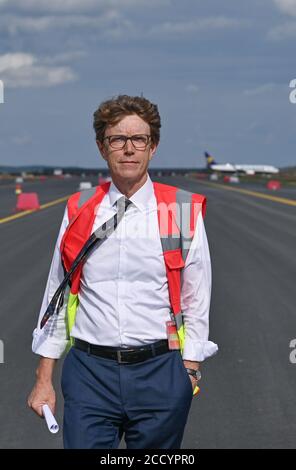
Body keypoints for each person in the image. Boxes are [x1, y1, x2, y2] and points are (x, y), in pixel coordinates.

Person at [27, 94, 218, 449]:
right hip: (89, 372)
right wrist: (44, 377)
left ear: (153, 147)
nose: (128, 149)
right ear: (103, 148)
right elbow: (57, 290)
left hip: (159, 372)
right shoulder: (80, 209)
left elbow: (197, 295)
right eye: (118, 139)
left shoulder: (180, 210)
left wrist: (189, 370)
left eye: (139, 139)